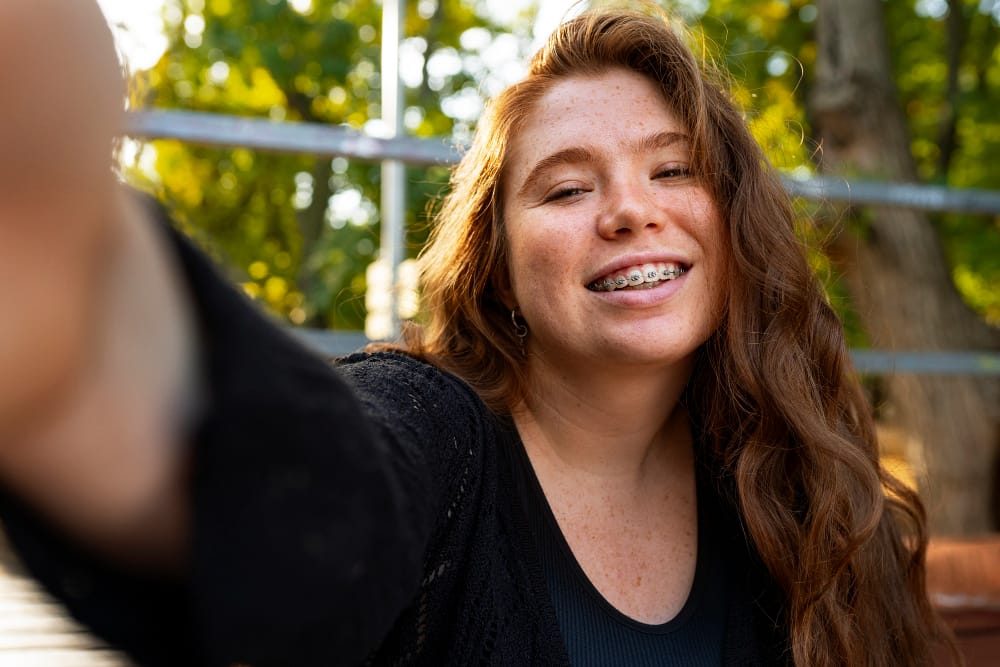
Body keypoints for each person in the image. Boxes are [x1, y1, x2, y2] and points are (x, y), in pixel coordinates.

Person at [0, 0, 953, 665]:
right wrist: (79, 314)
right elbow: (313, 513)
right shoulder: (436, 429)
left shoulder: (790, 478)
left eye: (673, 171)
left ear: (733, 219)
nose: (629, 211)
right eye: (568, 188)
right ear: (497, 263)